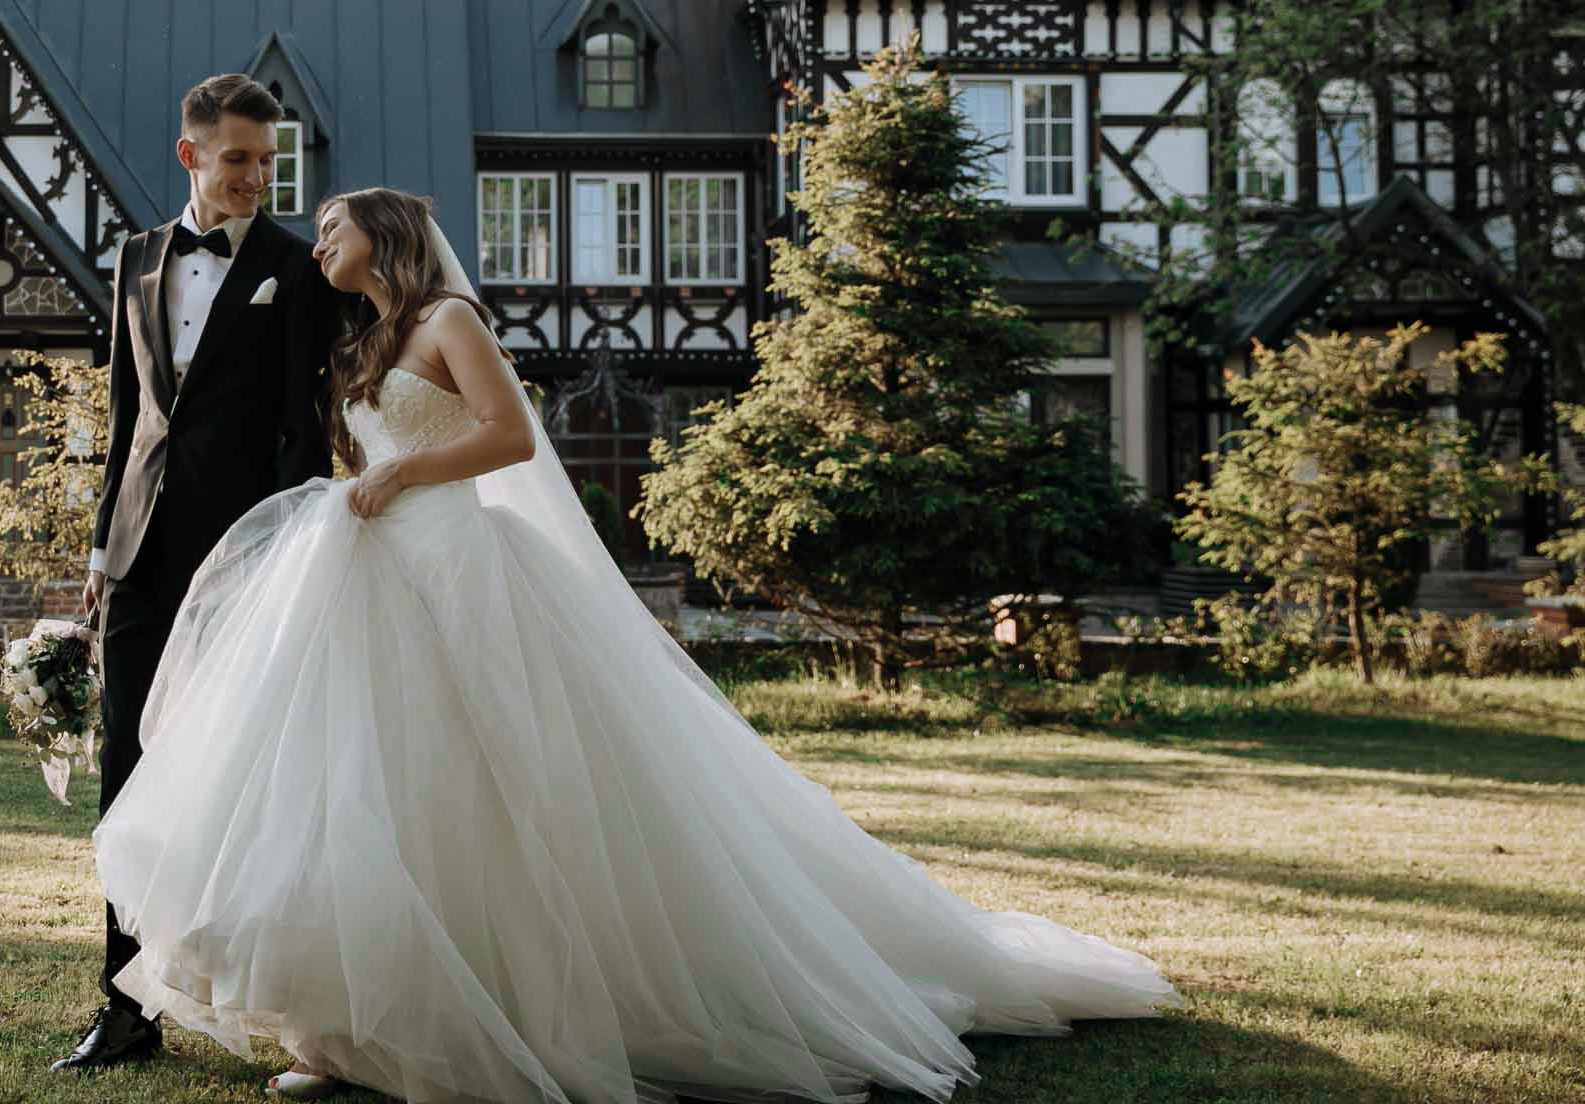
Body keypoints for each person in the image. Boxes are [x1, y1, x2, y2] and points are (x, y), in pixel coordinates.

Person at [94, 187, 1177, 1104]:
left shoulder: (447, 321)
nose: (317, 241)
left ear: (385, 234)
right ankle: (353, 1024)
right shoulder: (366, 338)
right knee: (365, 787)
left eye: (335, 227)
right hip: (375, 576)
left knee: (485, 780)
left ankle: (512, 1004)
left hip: (458, 563)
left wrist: (396, 473)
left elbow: (510, 436)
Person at [51, 75, 336, 1075]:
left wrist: (289, 552)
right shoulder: (133, 260)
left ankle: (276, 1003)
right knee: (126, 774)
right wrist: (98, 553)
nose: (259, 176)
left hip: (243, 561)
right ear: (190, 158)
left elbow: (304, 433)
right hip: (137, 557)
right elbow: (128, 418)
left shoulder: (297, 272)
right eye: (238, 159)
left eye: (268, 159)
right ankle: (126, 1011)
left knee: (241, 784)